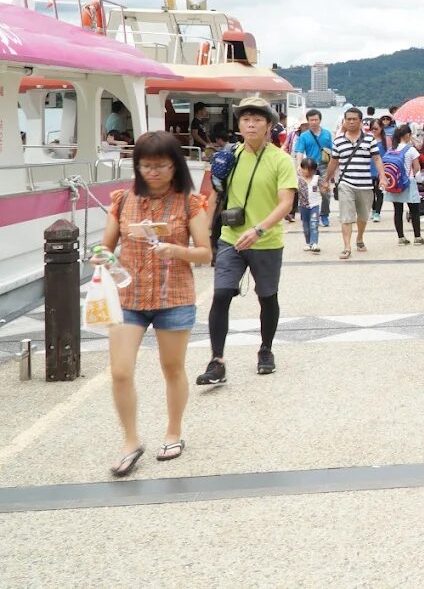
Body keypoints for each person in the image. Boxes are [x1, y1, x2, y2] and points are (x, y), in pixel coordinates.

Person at [98, 131, 213, 476]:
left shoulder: (190, 203)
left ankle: (173, 431)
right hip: (129, 296)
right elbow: (104, 248)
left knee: (172, 368)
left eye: (161, 166)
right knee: (120, 371)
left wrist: (176, 250)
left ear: (175, 166)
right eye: (146, 166)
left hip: (173, 296)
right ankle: (130, 440)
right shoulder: (121, 201)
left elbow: (206, 253)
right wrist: (101, 258)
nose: (153, 172)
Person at [196, 97, 296, 385]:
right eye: (245, 119)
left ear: (268, 125)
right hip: (231, 238)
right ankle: (217, 360)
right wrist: (202, 237)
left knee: (267, 297)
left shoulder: (281, 159)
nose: (251, 124)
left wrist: (259, 230)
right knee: (221, 295)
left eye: (257, 119)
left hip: (266, 240)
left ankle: (266, 350)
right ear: (238, 125)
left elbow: (285, 203)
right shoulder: (227, 157)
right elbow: (213, 197)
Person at [325, 106, 382, 259]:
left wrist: (382, 176)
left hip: (365, 184)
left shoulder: (369, 139)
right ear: (344, 121)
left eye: (354, 119)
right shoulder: (338, 141)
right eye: (348, 119)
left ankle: (360, 238)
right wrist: (326, 179)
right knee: (346, 216)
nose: (350, 122)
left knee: (363, 217)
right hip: (345, 183)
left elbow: (376, 158)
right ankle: (347, 246)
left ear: (360, 121)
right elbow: (334, 162)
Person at [387, 125, 424, 245]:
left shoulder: (392, 149)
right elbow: (417, 167)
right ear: (408, 135)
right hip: (408, 183)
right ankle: (417, 237)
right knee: (414, 211)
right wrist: (410, 176)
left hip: (395, 183)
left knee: (398, 211)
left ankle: (401, 238)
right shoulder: (411, 149)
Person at [293, 110, 333, 227]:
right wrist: (299, 166)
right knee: (307, 192)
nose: (314, 122)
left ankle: (324, 215)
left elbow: (332, 151)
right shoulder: (304, 136)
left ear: (320, 120)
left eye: (316, 119)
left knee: (325, 192)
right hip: (310, 167)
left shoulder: (327, 134)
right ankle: (308, 214)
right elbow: (300, 151)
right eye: (311, 120)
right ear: (308, 121)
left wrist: (334, 169)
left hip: (324, 166)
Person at [370, 113, 394, 223]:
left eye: (376, 128)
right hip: (369, 169)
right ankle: (373, 209)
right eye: (372, 128)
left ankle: (377, 212)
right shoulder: (368, 139)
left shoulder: (387, 140)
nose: (374, 130)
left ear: (381, 128)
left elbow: (390, 154)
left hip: (382, 169)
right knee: (370, 192)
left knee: (379, 192)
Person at [296, 156, 322, 253]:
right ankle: (308, 243)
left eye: (310, 170)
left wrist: (325, 188)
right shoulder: (298, 179)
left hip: (314, 206)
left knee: (314, 224)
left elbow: (324, 187)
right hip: (303, 207)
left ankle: (314, 243)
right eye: (305, 169)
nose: (307, 172)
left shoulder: (317, 178)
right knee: (306, 226)